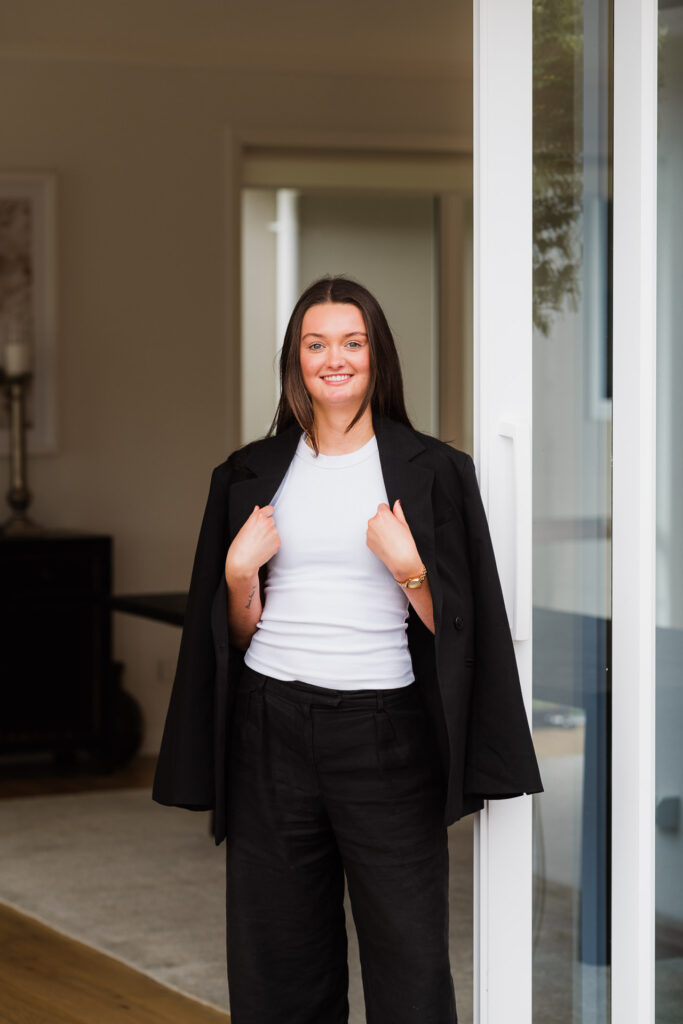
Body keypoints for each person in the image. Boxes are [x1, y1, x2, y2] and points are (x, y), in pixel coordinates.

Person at [152, 275, 543, 1024]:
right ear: (295, 360)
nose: (335, 358)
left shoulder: (435, 472)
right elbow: (234, 636)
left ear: (377, 356)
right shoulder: (246, 474)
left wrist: (409, 567)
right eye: (316, 343)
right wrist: (238, 574)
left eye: (352, 342)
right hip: (267, 728)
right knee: (278, 961)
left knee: (409, 958)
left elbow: (460, 632)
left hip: (383, 736)